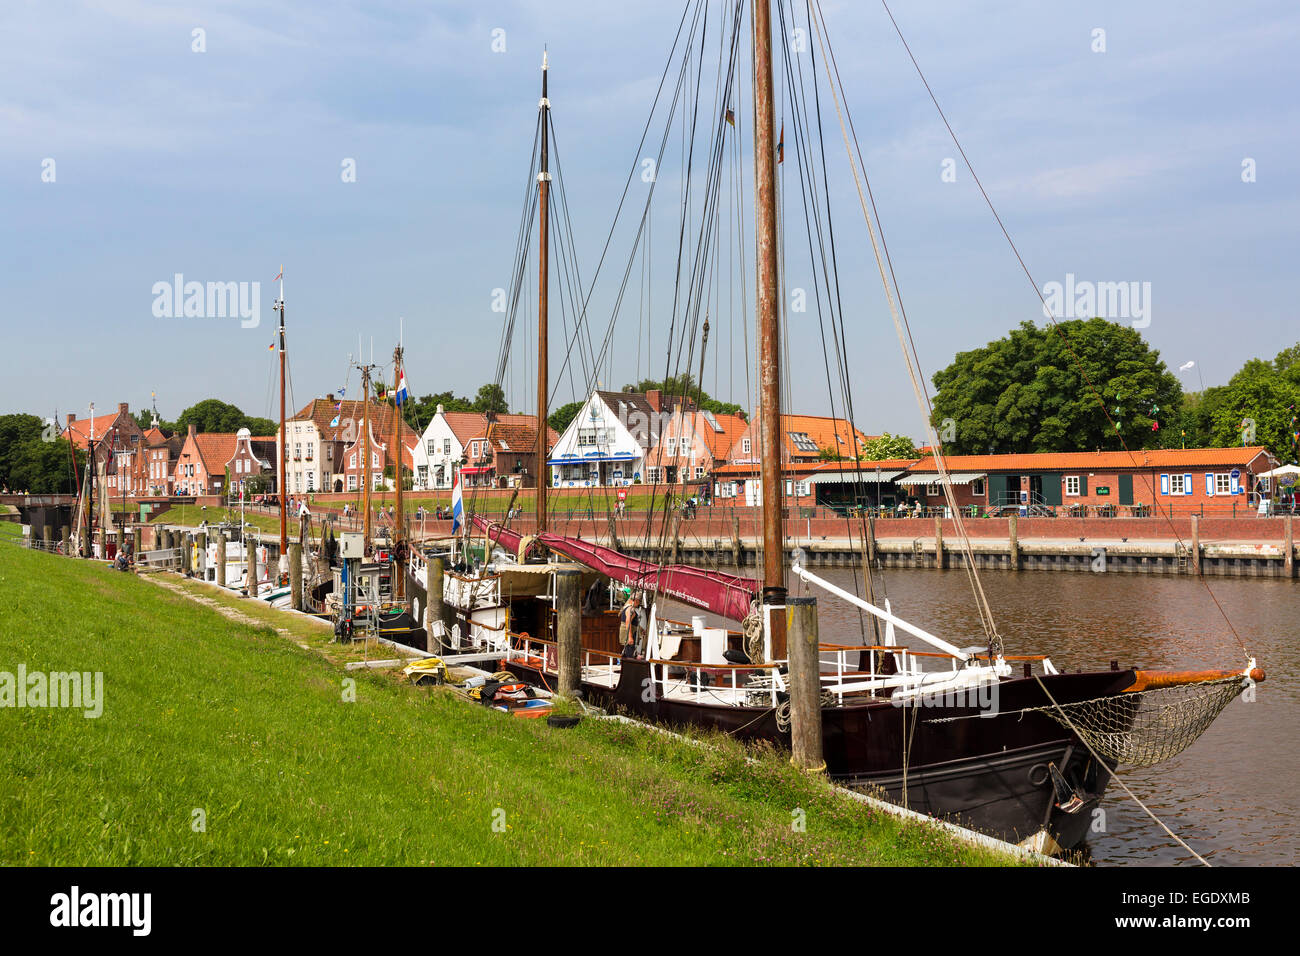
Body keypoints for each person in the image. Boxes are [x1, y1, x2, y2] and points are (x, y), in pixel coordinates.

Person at [619, 589, 642, 658]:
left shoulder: (626, 606)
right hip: (629, 634)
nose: (639, 604)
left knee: (628, 652)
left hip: (626, 634)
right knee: (630, 654)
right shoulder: (630, 609)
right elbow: (628, 622)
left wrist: (641, 629)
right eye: (639, 602)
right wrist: (630, 637)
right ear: (636, 600)